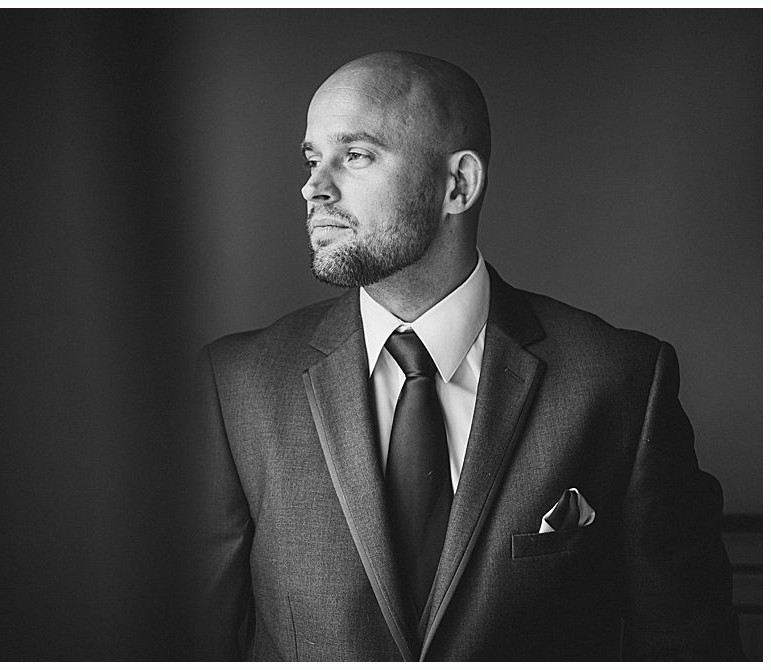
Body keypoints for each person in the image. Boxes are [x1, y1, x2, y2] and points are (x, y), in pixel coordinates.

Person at [193, 50, 742, 661]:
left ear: (458, 184)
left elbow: (688, 645)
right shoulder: (237, 384)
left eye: (355, 155)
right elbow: (195, 641)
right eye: (311, 158)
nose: (314, 187)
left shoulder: (622, 382)